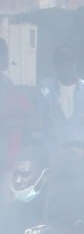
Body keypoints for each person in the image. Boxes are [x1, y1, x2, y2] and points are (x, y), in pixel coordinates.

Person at [38, 47, 84, 155]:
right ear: (55, 65)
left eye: (67, 60)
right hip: (53, 150)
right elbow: (40, 119)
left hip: (78, 150)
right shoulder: (45, 87)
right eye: (60, 61)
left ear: (73, 63)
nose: (64, 65)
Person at [0, 37, 39, 180]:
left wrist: (14, 121)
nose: (7, 59)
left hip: (8, 162)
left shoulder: (8, 86)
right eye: (3, 54)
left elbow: (34, 122)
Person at [1, 151, 47, 234]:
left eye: (25, 174)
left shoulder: (55, 211)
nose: (18, 180)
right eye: (15, 174)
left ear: (45, 175)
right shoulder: (8, 213)